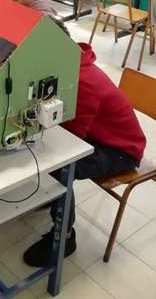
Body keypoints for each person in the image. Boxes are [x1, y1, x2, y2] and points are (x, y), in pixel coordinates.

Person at [23, 23, 147, 267]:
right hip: (99, 135)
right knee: (46, 154)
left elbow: (71, 138)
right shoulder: (70, 64)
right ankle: (54, 197)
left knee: (61, 166)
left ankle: (65, 237)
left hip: (122, 151)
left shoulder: (83, 82)